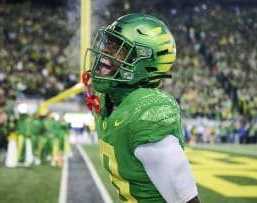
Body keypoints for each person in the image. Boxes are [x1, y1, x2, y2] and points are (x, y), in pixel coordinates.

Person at [83, 13, 200, 203]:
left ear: (144, 61)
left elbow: (186, 199)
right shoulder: (108, 100)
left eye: (119, 48)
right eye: (109, 43)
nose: (105, 51)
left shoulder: (148, 111)